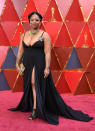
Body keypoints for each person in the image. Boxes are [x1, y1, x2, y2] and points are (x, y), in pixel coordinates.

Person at [8, 12, 94, 125]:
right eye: (32, 20)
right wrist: (17, 64)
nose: (34, 22)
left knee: (34, 83)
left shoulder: (45, 35)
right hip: (27, 63)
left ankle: (35, 109)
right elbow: (20, 51)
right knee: (30, 84)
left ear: (40, 22)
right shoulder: (24, 35)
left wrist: (47, 68)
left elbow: (47, 53)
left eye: (37, 20)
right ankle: (33, 104)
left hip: (39, 63)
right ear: (29, 21)